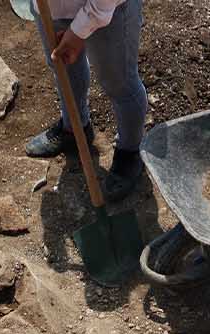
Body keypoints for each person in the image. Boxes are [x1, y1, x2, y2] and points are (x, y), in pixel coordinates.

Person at [25, 0, 149, 202]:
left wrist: (80, 29)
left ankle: (130, 151)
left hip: (108, 6)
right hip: (50, 7)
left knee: (120, 83)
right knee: (63, 67)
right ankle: (74, 127)